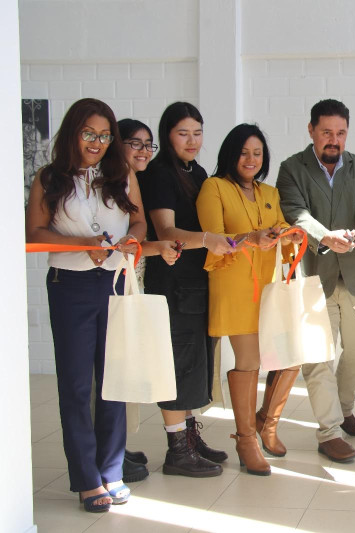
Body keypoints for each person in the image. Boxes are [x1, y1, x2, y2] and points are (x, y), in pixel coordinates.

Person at [25, 98, 146, 511]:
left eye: (104, 135)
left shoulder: (122, 174)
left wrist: (130, 243)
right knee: (77, 387)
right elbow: (34, 234)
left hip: (114, 281)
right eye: (88, 133)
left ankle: (111, 470)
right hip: (70, 287)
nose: (97, 142)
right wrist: (82, 245)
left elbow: (140, 222)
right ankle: (86, 478)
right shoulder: (49, 179)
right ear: (73, 133)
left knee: (112, 382)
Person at [276, 99, 355, 463]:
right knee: (318, 357)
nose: (333, 140)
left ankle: (345, 407)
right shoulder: (292, 168)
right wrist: (324, 236)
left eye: (340, 133)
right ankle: (329, 432)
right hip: (312, 276)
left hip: (354, 274)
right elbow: (296, 213)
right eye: (326, 133)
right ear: (311, 131)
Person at [197, 124, 304, 475]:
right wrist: (250, 237)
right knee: (250, 360)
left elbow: (283, 233)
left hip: (270, 288)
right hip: (234, 286)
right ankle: (246, 440)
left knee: (290, 356)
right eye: (244, 152)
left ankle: (266, 424)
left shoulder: (269, 191)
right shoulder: (214, 188)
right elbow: (214, 238)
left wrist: (286, 234)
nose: (251, 159)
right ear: (230, 153)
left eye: (257, 153)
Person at [140, 102, 233, 477]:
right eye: (183, 133)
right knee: (176, 363)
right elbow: (166, 233)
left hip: (197, 283)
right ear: (167, 135)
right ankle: (177, 448)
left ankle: (189, 438)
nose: (192, 140)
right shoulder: (161, 173)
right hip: (172, 284)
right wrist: (210, 239)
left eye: (198, 132)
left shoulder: (198, 172)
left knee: (195, 364)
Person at [116, 118, 180, 484]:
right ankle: (111, 450)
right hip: (111, 284)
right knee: (112, 368)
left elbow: (135, 242)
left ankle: (117, 446)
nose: (143, 151)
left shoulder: (135, 181)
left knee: (127, 366)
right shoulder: (112, 182)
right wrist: (156, 247)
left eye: (147, 144)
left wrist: (156, 249)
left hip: (132, 280)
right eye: (134, 143)